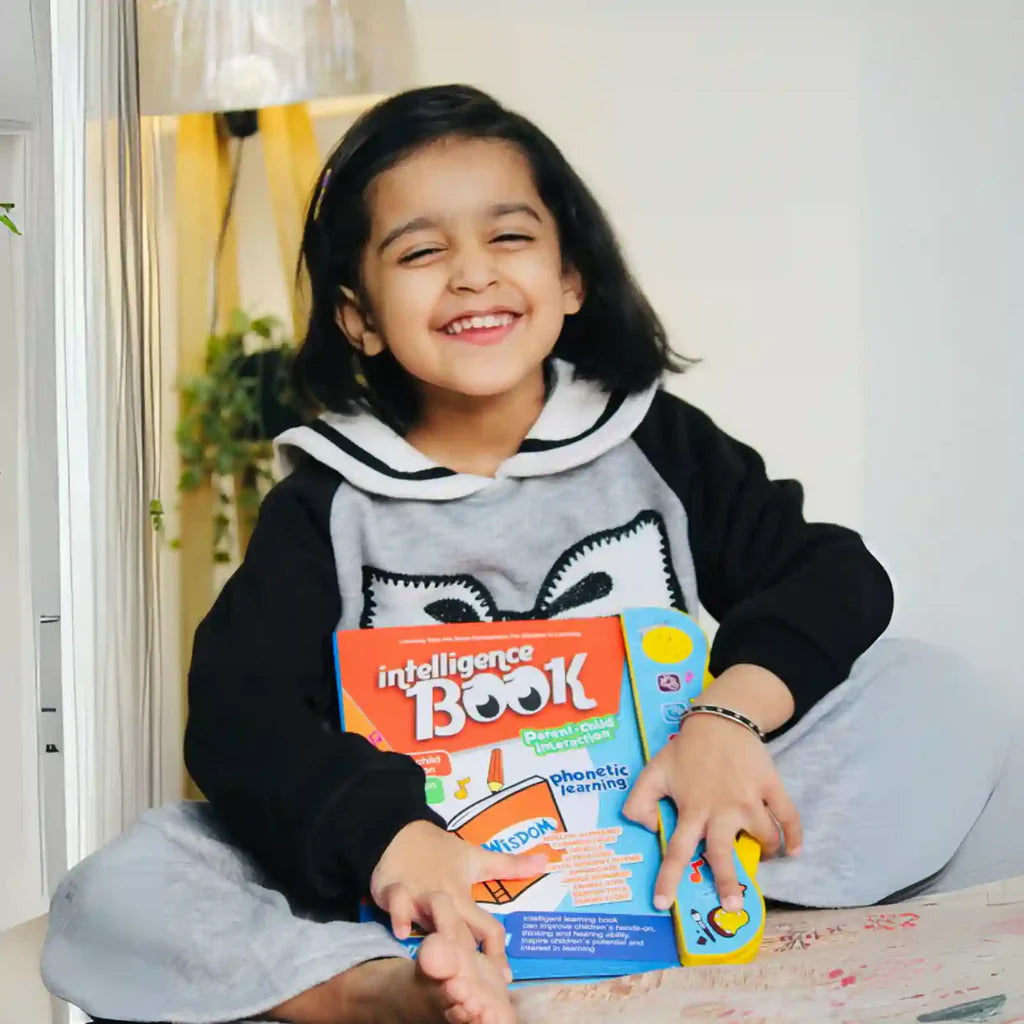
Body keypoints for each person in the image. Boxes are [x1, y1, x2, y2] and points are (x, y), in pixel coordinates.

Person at [41, 84, 1012, 1024]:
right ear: (359, 317)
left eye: (508, 236)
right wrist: (389, 835)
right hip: (421, 876)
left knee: (932, 698)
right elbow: (237, 706)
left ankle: (705, 896)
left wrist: (725, 720)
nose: (472, 273)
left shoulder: (651, 443)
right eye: (420, 250)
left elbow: (828, 575)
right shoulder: (328, 499)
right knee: (124, 885)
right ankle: (369, 994)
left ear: (571, 276)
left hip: (657, 825)